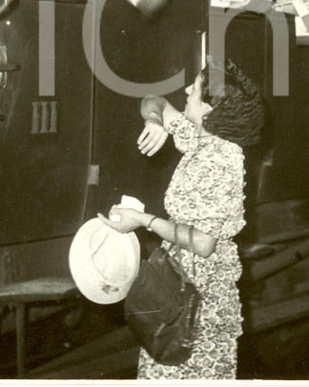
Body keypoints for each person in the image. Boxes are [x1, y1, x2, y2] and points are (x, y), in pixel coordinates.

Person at [99, 59, 265, 379]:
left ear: (209, 111)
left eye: (195, 89)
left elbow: (203, 243)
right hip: (176, 284)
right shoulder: (199, 136)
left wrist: (142, 220)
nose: (186, 91)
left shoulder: (222, 160)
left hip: (200, 300)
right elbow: (154, 101)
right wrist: (154, 121)